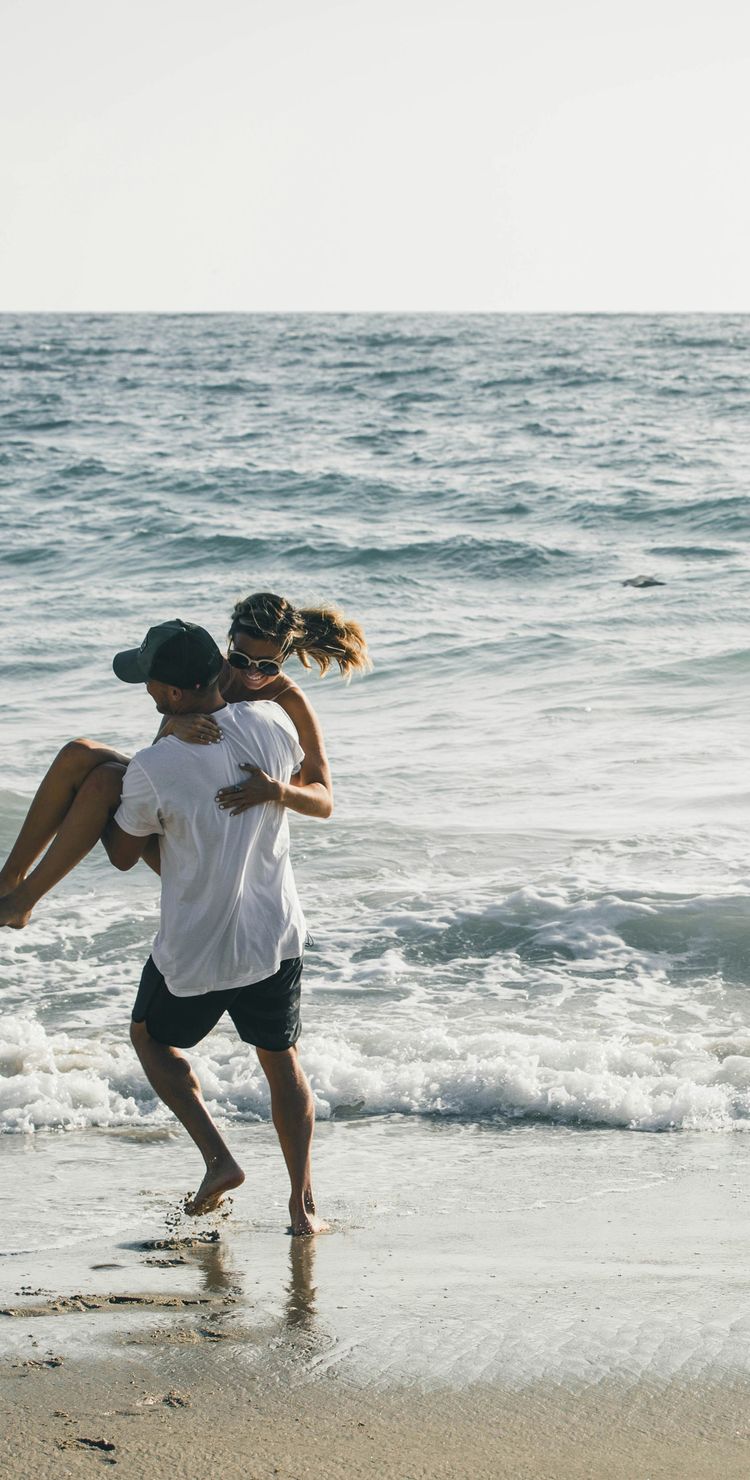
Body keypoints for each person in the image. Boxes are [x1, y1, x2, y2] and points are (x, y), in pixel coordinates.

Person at [103, 617, 324, 1233]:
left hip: (198, 947)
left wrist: (109, 787)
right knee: (282, 1061)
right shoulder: (274, 724)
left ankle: (219, 1159)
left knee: (149, 1038)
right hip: (273, 936)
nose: (148, 691)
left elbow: (122, 854)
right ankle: (303, 1207)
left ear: (172, 693)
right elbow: (307, 785)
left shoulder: (154, 765)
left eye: (151, 684)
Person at [0, 592, 369, 926]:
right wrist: (174, 725)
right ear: (229, 644)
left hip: (221, 842)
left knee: (106, 780)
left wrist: (277, 790)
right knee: (77, 754)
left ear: (284, 657)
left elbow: (324, 801)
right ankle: (10, 881)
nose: (251, 673)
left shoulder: (289, 701)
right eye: (241, 659)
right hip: (182, 806)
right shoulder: (206, 672)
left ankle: (22, 902)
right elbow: (158, 760)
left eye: (267, 666)